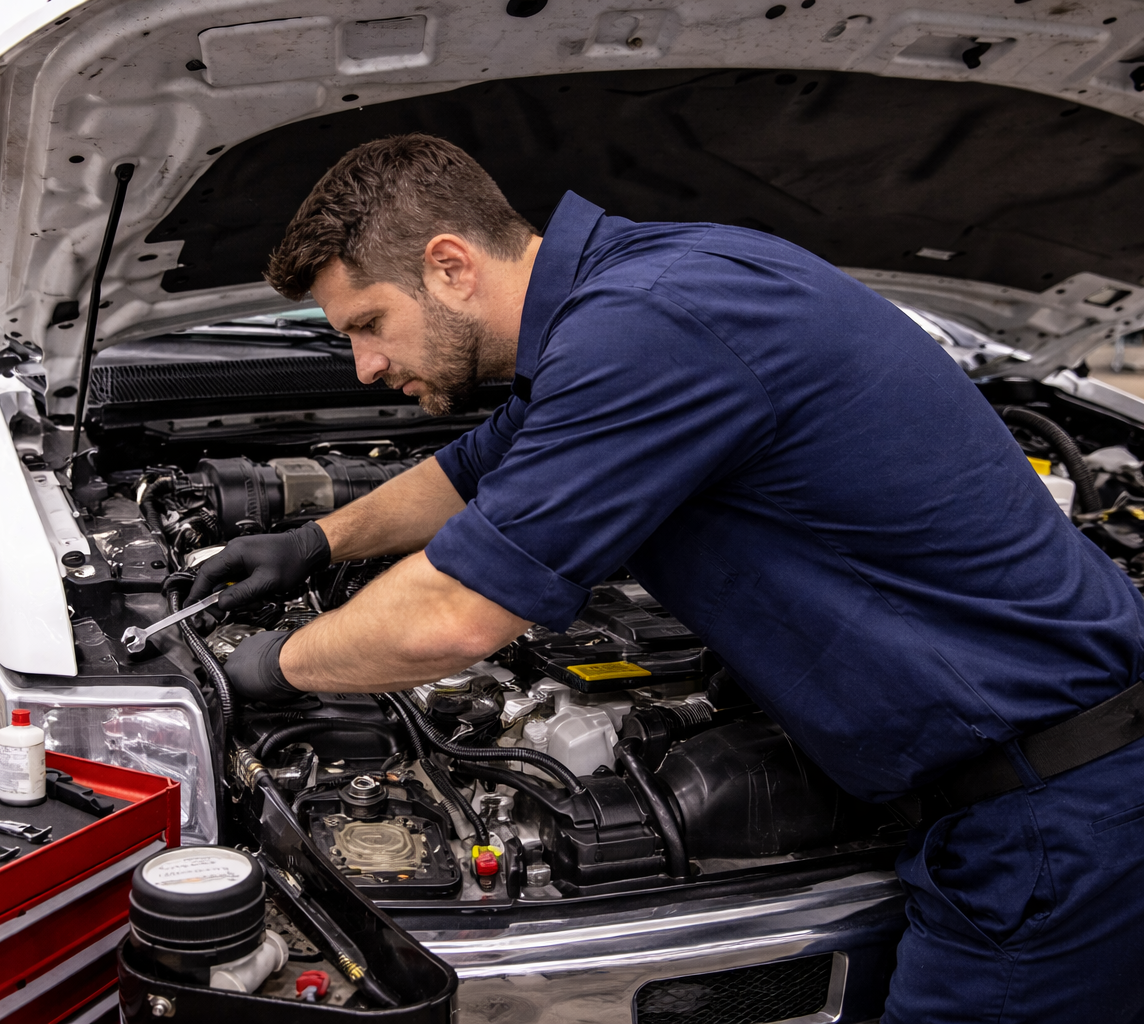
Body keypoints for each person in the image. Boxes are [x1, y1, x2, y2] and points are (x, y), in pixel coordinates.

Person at [185, 134, 1144, 1023]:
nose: (363, 367)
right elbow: (475, 464)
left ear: (449, 264)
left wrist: (263, 668)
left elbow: (450, 621)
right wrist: (318, 542)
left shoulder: (650, 324)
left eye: (369, 324)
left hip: (1051, 818)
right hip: (1015, 784)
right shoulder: (640, 284)